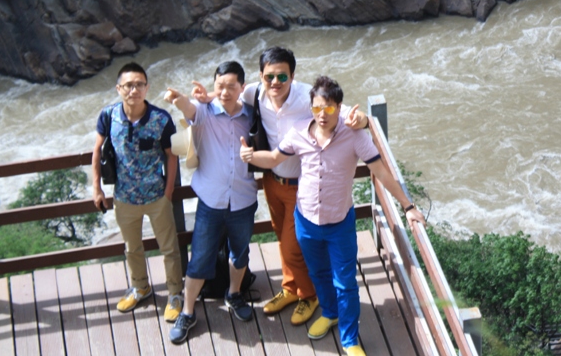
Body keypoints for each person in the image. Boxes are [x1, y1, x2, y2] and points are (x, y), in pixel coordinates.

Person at [240, 75, 425, 356]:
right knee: (318, 272)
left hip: (339, 223)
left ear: (339, 107)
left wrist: (408, 207)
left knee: (346, 282)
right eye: (317, 108)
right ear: (310, 107)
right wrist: (250, 156)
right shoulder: (300, 132)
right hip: (306, 221)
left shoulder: (354, 136)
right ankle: (329, 313)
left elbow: (380, 171)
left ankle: (350, 339)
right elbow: (275, 159)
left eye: (328, 108)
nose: (322, 114)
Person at [192, 46, 369, 327]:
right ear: (261, 77)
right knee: (280, 238)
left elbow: (346, 113)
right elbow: (232, 92)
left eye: (282, 77)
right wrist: (209, 96)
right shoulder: (256, 92)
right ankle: (290, 288)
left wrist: (364, 120)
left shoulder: (306, 98)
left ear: (292, 75)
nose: (275, 83)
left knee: (292, 245)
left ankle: (309, 296)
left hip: (302, 186)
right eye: (269, 77)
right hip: (272, 180)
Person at [164, 61, 258, 345]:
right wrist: (179, 98)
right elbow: (188, 110)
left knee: (240, 254)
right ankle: (189, 312)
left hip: (243, 199)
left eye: (231, 86)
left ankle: (234, 294)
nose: (225, 91)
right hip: (211, 202)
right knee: (200, 258)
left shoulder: (252, 115)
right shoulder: (203, 110)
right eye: (220, 86)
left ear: (242, 87)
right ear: (213, 86)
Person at [91, 62, 184, 322]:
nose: (134, 89)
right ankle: (140, 287)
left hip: (156, 197)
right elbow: (97, 151)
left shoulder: (160, 119)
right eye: (129, 85)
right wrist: (97, 188)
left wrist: (168, 192)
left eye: (139, 84)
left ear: (147, 87)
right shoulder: (108, 116)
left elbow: (171, 156)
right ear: (119, 88)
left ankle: (175, 294)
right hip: (124, 198)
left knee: (169, 248)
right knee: (132, 248)